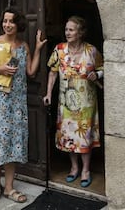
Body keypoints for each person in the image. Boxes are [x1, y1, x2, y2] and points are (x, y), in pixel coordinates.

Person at [0, 6, 47, 203]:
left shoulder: (23, 47)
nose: (7, 25)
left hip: (16, 104)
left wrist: (38, 49)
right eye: (5, 21)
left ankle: (10, 188)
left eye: (11, 21)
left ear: (18, 24)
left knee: (12, 144)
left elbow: (30, 72)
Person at [43, 16, 103, 188]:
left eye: (71, 30)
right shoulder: (59, 50)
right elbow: (53, 72)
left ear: (80, 32)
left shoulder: (91, 51)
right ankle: (74, 168)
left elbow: (103, 66)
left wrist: (97, 75)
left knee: (84, 136)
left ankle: (86, 170)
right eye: (66, 29)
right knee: (69, 137)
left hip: (86, 104)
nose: (67, 32)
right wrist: (48, 93)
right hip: (66, 104)